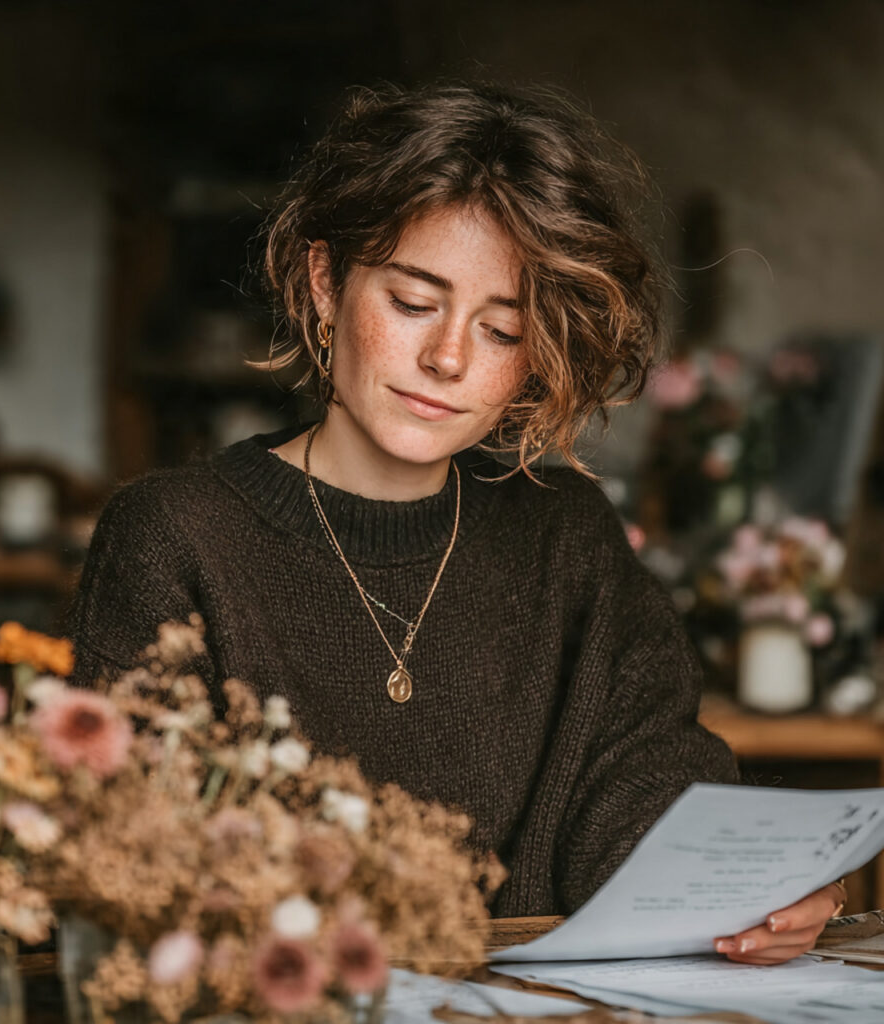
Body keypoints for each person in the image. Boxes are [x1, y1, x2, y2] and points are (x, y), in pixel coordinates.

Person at [70, 82, 844, 963]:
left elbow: (646, 789)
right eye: (412, 302)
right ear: (326, 284)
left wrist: (755, 887)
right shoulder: (174, 536)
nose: (447, 358)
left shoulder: (569, 539)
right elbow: (129, 873)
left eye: (502, 328)